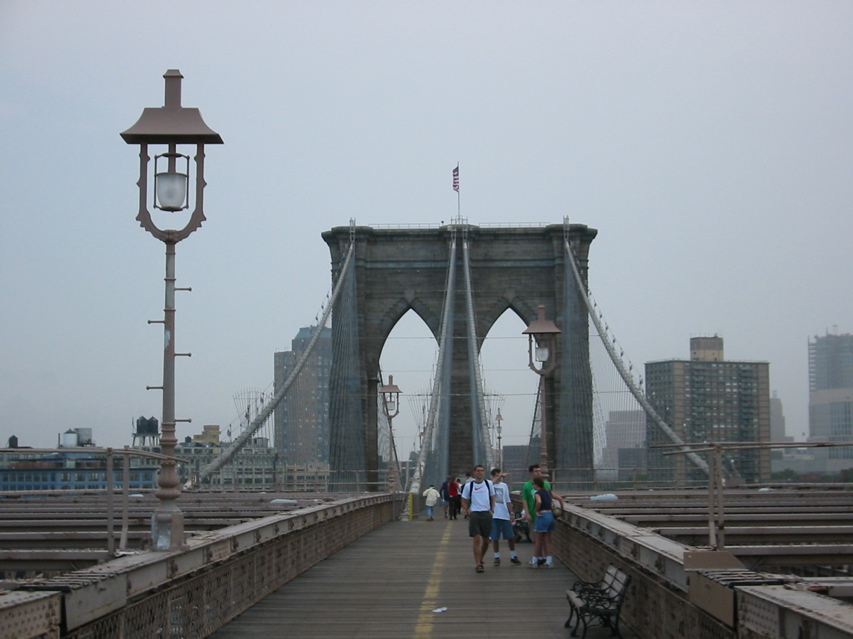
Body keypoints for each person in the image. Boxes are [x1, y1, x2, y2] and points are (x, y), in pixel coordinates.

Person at [460, 465, 495, 572]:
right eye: (478, 471)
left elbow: (493, 497)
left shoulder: (489, 484)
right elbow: (463, 500)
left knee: (486, 540)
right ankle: (478, 564)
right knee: (476, 538)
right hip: (475, 514)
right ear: (475, 472)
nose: (480, 473)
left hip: (486, 514)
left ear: (484, 472)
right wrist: (468, 511)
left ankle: (480, 558)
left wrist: (492, 510)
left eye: (482, 471)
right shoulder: (469, 486)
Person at [489, 468, 521, 565]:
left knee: (510, 537)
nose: (500, 477)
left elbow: (508, 500)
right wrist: (499, 476)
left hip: (505, 515)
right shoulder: (490, 485)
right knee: (495, 538)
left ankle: (513, 555)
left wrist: (511, 513)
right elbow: (489, 484)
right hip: (494, 515)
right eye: (497, 475)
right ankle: (497, 557)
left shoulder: (504, 486)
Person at [532, 476, 565, 568]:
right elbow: (560, 498)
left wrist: (536, 511)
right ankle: (549, 561)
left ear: (536, 484)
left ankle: (535, 561)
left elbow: (538, 502)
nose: (533, 485)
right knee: (548, 539)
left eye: (533, 484)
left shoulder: (537, 493)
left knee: (538, 540)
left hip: (542, 516)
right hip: (550, 516)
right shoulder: (548, 492)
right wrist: (562, 510)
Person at [522, 464, 551, 567]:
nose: (539, 472)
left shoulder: (547, 485)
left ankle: (540, 558)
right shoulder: (527, 486)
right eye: (536, 471)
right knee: (536, 538)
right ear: (531, 473)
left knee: (543, 538)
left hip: (543, 515)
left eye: (539, 471)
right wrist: (527, 513)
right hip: (533, 515)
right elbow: (524, 500)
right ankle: (540, 557)